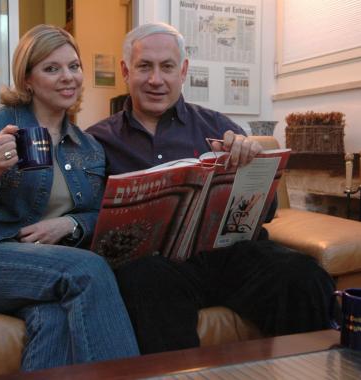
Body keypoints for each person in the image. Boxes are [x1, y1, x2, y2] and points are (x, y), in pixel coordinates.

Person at [87, 22, 336, 354]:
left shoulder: (220, 126)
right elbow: (89, 216)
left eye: (167, 67)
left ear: (184, 71)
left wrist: (250, 170)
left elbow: (269, 211)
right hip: (158, 268)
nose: (156, 79)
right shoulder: (97, 140)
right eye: (144, 66)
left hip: (230, 257)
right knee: (144, 279)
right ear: (125, 71)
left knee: (303, 275)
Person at [0, 24, 139, 371]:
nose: (67, 77)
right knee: (87, 269)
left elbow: (98, 214)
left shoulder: (89, 147)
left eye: (74, 66)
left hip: (42, 269)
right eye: (51, 68)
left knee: (52, 320)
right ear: (27, 79)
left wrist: (69, 224)